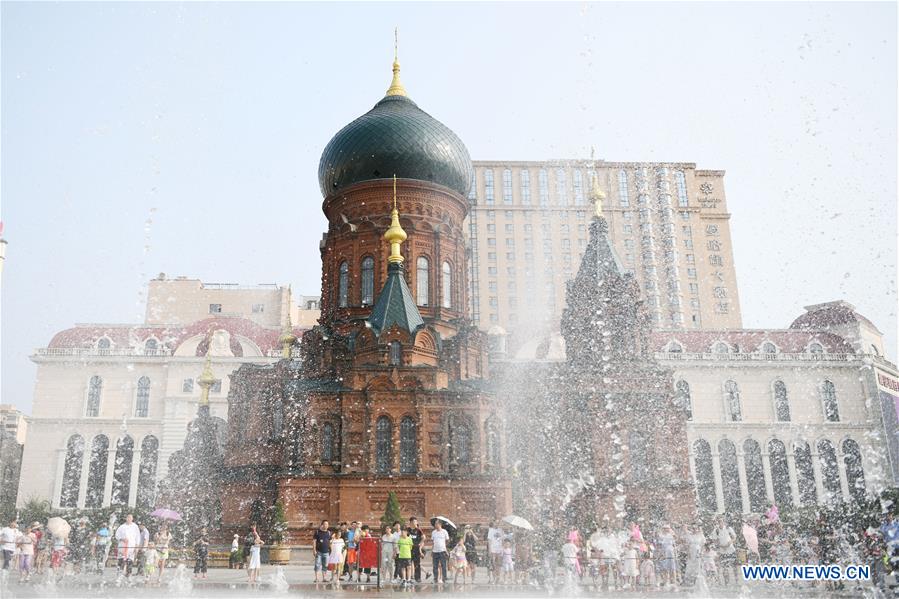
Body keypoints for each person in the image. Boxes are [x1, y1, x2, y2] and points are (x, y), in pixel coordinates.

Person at [714, 517, 737, 586]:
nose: (719, 523)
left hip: (731, 550)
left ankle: (736, 581)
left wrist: (729, 543)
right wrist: (720, 545)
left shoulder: (728, 528)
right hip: (722, 551)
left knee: (734, 566)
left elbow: (734, 537)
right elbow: (714, 540)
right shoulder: (716, 530)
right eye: (718, 521)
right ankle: (726, 582)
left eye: (721, 521)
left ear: (723, 522)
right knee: (724, 567)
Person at [657, 524, 677, 588]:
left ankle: (673, 581)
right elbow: (659, 544)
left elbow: (675, 541)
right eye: (665, 528)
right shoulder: (661, 535)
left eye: (667, 528)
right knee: (665, 567)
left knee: (672, 567)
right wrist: (660, 553)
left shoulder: (671, 534)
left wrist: (675, 552)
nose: (666, 530)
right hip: (664, 552)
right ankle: (666, 581)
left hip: (671, 552)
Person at [430, 519, 450, 583]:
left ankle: (444, 578)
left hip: (442, 551)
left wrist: (445, 549)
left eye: (436, 524)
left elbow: (447, 541)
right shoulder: (433, 532)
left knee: (443, 565)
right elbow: (433, 542)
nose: (435, 525)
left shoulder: (444, 532)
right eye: (435, 524)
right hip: (435, 551)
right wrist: (432, 550)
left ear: (440, 524)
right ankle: (435, 578)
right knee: (435, 566)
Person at [407, 517, 425, 582]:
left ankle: (418, 578)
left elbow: (423, 537)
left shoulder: (418, 530)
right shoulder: (407, 530)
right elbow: (403, 537)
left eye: (416, 522)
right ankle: (408, 578)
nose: (416, 523)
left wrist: (420, 544)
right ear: (411, 523)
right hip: (408, 550)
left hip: (416, 549)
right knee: (408, 564)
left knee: (417, 564)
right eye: (414, 522)